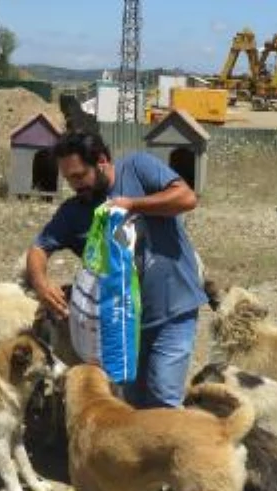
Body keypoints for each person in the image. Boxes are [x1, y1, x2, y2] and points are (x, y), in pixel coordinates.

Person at [25, 130, 207, 410]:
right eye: (68, 179)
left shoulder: (137, 168)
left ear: (101, 160)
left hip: (173, 308)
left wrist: (133, 204)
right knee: (130, 404)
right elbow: (39, 248)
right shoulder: (75, 211)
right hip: (123, 325)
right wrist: (40, 283)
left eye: (78, 176)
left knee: (163, 401)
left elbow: (186, 198)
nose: (74, 186)